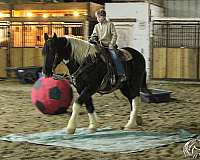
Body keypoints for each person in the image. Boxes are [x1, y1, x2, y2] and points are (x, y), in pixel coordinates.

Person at [90, 9, 126, 82]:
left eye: (99, 17)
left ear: (104, 17)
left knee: (115, 57)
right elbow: (94, 35)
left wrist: (111, 44)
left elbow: (114, 35)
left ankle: (121, 74)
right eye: (97, 17)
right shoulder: (96, 26)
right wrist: (93, 38)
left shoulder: (110, 24)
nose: (98, 19)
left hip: (109, 46)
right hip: (100, 46)